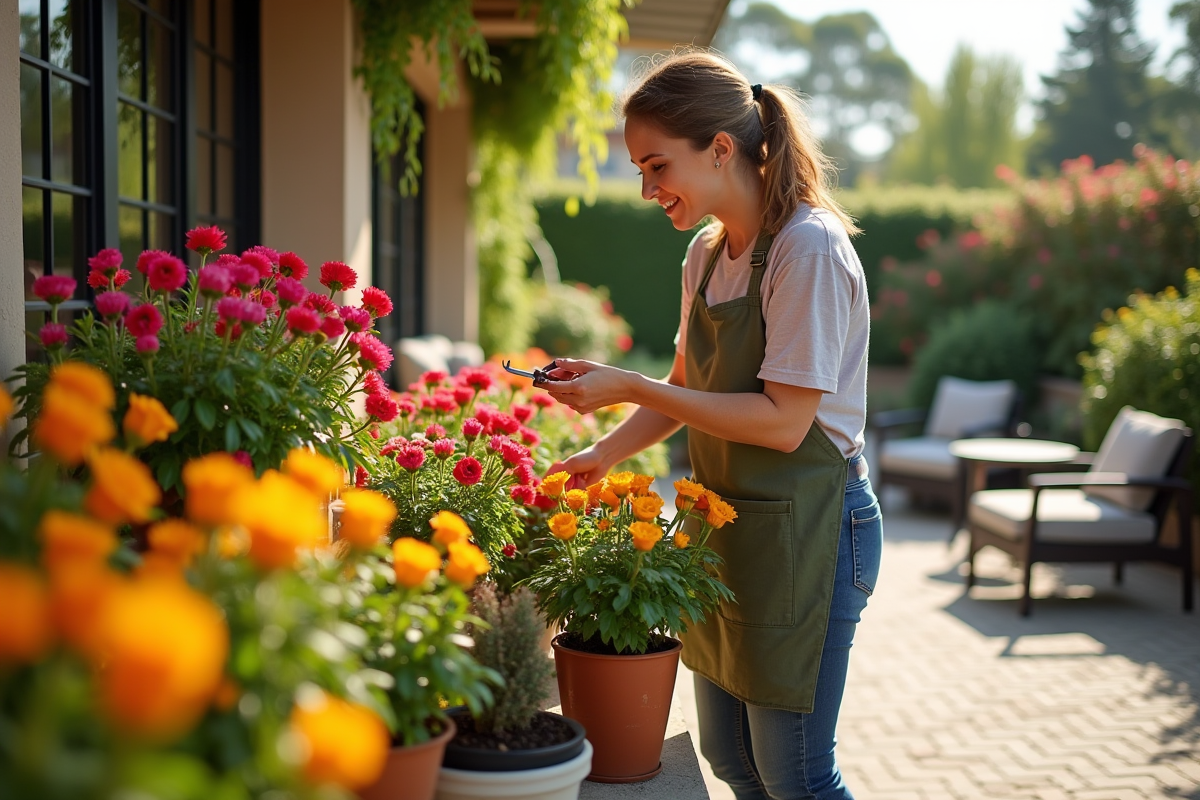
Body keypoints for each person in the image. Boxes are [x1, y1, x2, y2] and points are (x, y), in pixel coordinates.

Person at [540, 50, 882, 800]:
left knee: (796, 776)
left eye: (656, 165)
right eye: (638, 169)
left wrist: (627, 384)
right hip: (732, 528)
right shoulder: (706, 253)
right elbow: (685, 390)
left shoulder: (808, 248)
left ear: (721, 148)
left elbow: (786, 423)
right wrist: (602, 450)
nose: (646, 188)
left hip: (815, 533)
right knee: (733, 763)